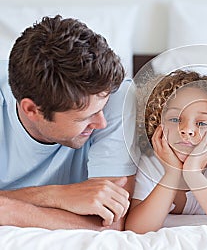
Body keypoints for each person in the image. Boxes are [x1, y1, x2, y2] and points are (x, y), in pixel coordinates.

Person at [0, 15, 138, 230]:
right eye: (85, 117)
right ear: (32, 110)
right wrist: (55, 195)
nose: (101, 123)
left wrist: (9, 208)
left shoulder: (117, 96)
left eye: (101, 110)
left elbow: (111, 222)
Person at [125, 70, 207, 233]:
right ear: (157, 123)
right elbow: (136, 229)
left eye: (201, 123)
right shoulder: (152, 163)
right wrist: (172, 173)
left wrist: (193, 174)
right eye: (175, 119)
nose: (186, 130)